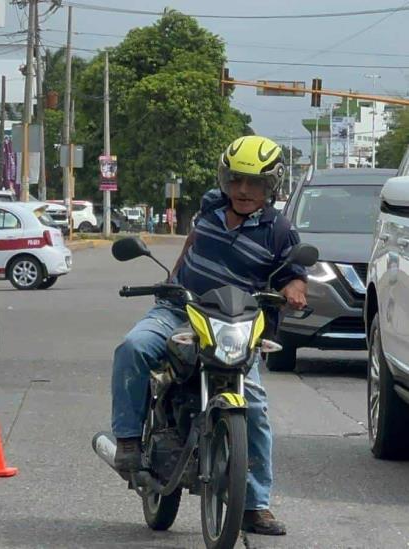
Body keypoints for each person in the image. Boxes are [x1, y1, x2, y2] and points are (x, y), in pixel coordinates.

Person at [111, 136, 308, 537]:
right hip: (180, 309)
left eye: (255, 183)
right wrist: (173, 279)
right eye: (236, 180)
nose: (243, 190)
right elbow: (193, 239)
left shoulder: (279, 230)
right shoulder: (210, 205)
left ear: (271, 185)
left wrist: (294, 291)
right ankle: (128, 441)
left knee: (253, 405)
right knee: (133, 347)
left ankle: (254, 505)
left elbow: (294, 274)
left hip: (232, 323)